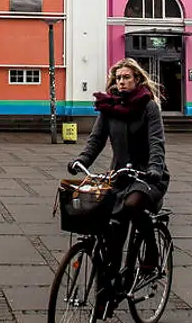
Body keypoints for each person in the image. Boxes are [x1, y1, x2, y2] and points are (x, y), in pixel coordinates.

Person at [69, 59, 169, 294]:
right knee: (107, 222)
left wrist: (155, 167)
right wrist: (81, 160)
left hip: (147, 176)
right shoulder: (109, 107)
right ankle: (109, 282)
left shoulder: (148, 107)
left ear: (137, 80)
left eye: (126, 77)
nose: (121, 82)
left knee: (133, 205)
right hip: (120, 175)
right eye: (118, 78)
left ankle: (151, 252)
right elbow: (96, 140)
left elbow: (157, 142)